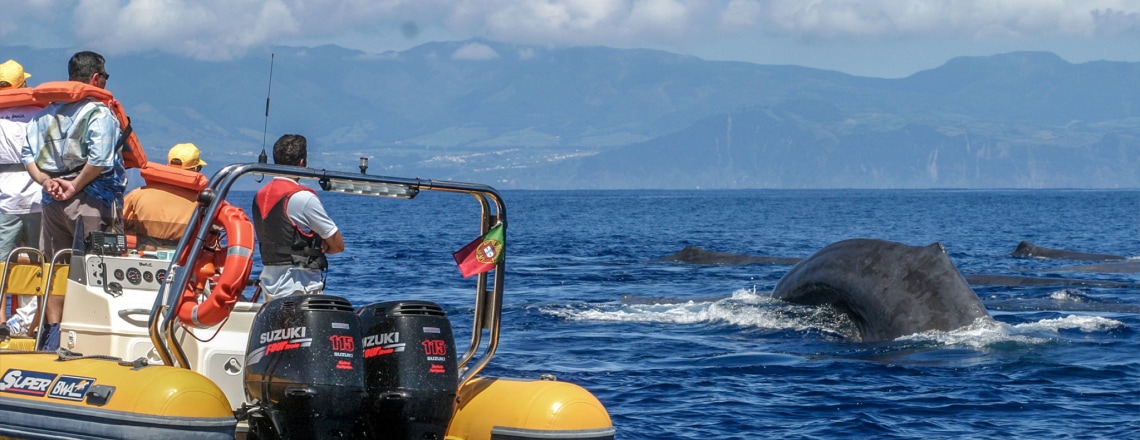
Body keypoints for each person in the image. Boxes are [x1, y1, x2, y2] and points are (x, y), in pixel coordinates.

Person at [21, 51, 124, 349]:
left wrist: (47, 181)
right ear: (95, 78)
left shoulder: (44, 115)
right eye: (105, 77)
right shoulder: (99, 113)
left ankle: (52, 337)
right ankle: (96, 339)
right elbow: (100, 160)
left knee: (57, 267)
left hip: (52, 203)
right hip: (92, 201)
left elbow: (29, 156)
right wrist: (74, 185)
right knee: (100, 268)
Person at [252, 134, 344, 301]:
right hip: (299, 288)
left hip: (270, 288)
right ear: (302, 162)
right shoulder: (303, 198)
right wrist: (322, 246)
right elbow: (338, 245)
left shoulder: (259, 196)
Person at [0, 59, 42, 337]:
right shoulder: (40, 114)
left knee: (1, 264)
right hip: (38, 191)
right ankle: (38, 324)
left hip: (4, 196)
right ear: (23, 85)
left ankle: (1, 322)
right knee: (41, 261)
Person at [123, 143, 207, 250]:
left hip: (143, 257)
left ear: (168, 166)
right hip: (182, 262)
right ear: (196, 170)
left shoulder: (137, 194)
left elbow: (115, 222)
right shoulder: (203, 204)